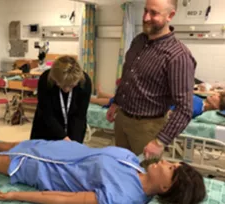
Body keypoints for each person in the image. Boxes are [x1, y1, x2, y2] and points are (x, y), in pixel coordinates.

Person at [0, 130, 206, 204]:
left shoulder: (121, 197)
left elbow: (65, 198)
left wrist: (15, 195)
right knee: (13, 143)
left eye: (171, 168)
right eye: (173, 162)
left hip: (44, 169)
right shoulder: (133, 162)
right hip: (59, 149)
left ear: (165, 187)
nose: (166, 162)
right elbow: (95, 155)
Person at [106, 0, 197, 157]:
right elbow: (128, 76)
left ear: (171, 15)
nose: (146, 17)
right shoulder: (139, 41)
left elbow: (184, 108)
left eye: (154, 13)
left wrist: (160, 141)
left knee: (145, 176)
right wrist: (116, 103)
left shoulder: (178, 56)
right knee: (122, 168)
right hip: (122, 119)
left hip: (147, 127)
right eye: (145, 11)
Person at [30, 56, 92, 143]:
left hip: (73, 126)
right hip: (46, 126)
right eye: (62, 85)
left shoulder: (84, 83)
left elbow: (80, 116)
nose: (66, 90)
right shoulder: (46, 80)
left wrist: (74, 142)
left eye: (71, 85)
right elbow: (47, 113)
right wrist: (62, 136)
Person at [92, 85, 225, 118]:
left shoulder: (196, 108)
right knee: (126, 96)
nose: (214, 94)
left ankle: (90, 99)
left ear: (217, 106)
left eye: (217, 97)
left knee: (122, 101)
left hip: (155, 104)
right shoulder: (200, 103)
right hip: (160, 99)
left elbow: (170, 114)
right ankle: (101, 93)